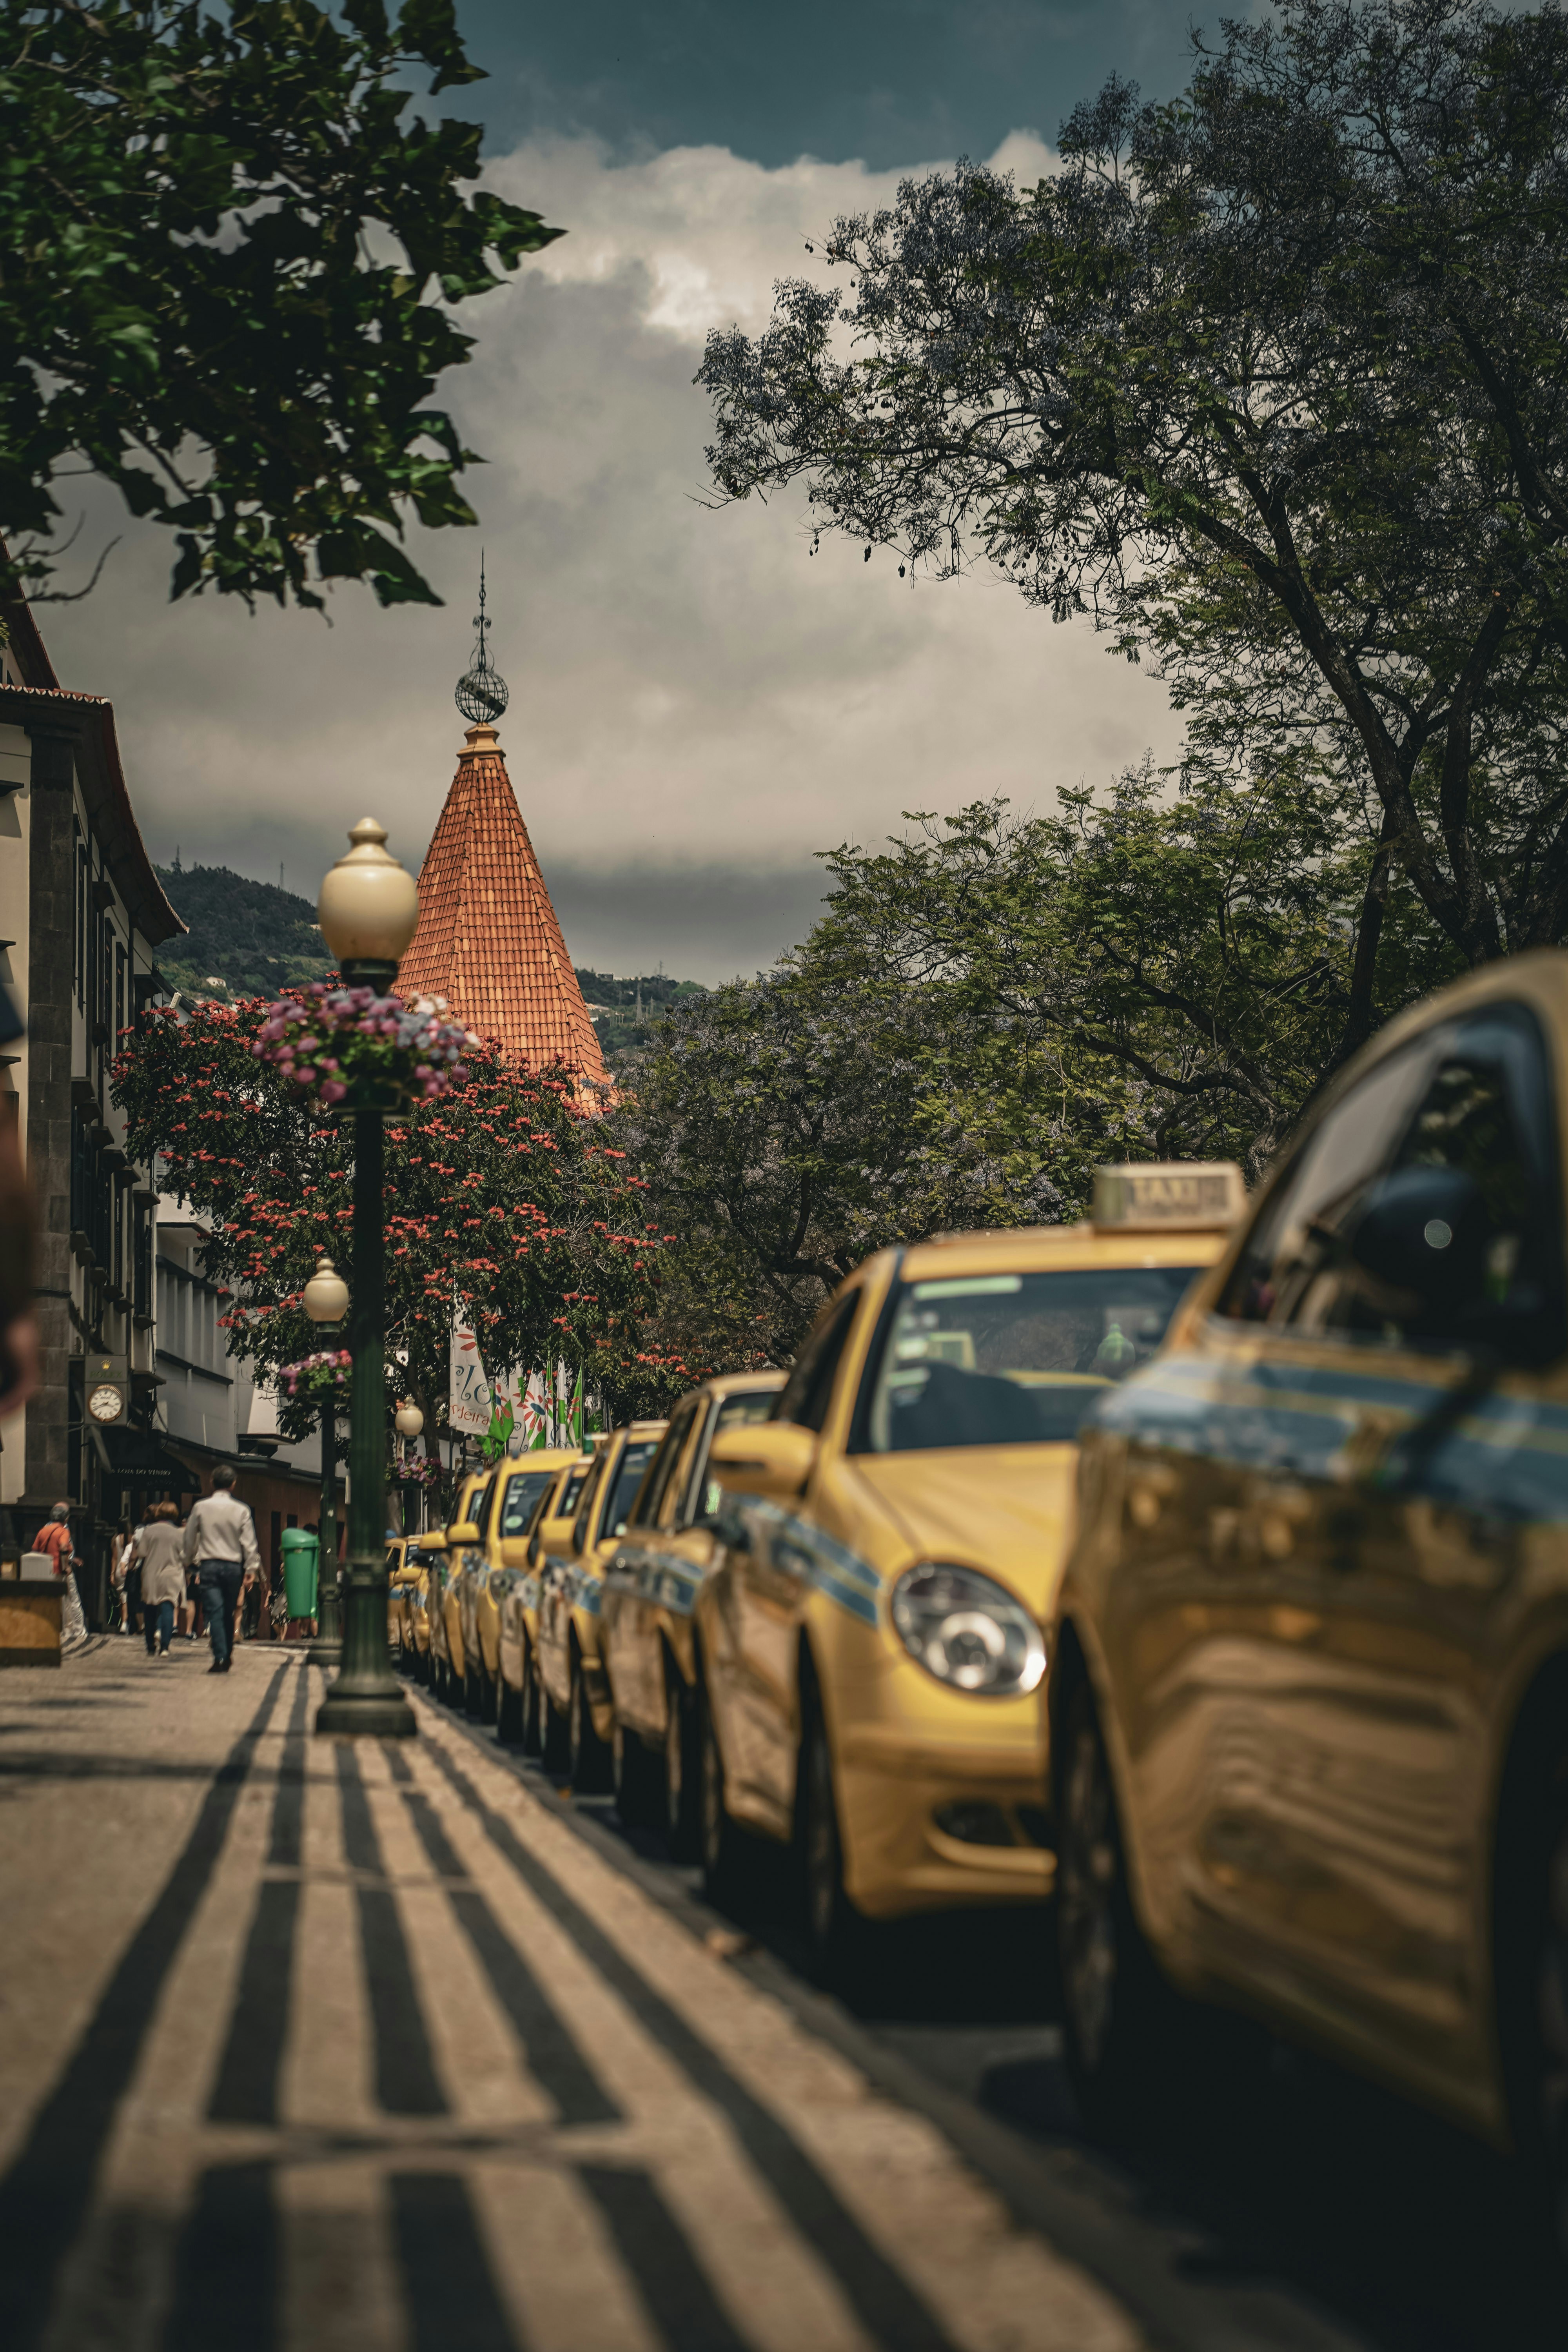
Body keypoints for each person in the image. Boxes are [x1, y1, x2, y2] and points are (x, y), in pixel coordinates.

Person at [181, 1466, 261, 1674]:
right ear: (233, 1484)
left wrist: (188, 1560)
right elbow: (249, 1543)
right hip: (233, 1567)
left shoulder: (200, 1507)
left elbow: (190, 1540)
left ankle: (221, 1656)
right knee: (228, 1611)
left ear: (211, 1482)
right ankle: (227, 1650)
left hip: (209, 1566)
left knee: (215, 1611)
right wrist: (251, 1568)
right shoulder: (242, 1510)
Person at [31, 1502, 87, 1650]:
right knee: (73, 1599)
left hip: (46, 1571)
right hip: (61, 1571)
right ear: (66, 1519)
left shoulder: (43, 1531)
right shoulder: (63, 1531)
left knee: (54, 1602)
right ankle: (79, 1630)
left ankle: (59, 1630)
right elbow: (63, 1547)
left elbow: (35, 1550)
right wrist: (66, 1566)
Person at [135, 1503, 185, 1657]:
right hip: (172, 1574)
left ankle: (150, 1645)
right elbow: (185, 1555)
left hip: (151, 1573)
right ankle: (165, 1647)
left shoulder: (149, 1531)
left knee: (150, 1608)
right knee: (168, 1608)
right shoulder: (179, 1533)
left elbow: (142, 1552)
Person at [110, 1519, 133, 1633]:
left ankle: (124, 1623)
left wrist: (112, 1574)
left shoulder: (116, 1540)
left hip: (120, 1571)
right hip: (130, 1570)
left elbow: (114, 1558)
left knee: (122, 1600)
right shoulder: (132, 1539)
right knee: (130, 1598)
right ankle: (127, 1623)